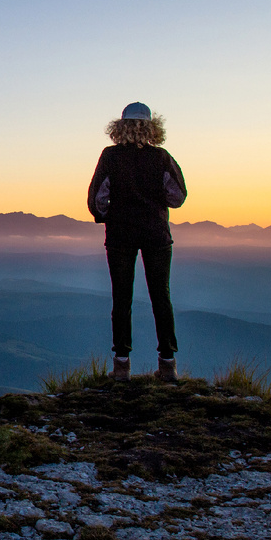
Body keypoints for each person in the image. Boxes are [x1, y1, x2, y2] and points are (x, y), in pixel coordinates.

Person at [87, 102, 187, 382]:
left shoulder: (110, 157)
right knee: (161, 296)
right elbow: (178, 196)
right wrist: (154, 202)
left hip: (120, 235)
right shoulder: (161, 157)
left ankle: (122, 366)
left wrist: (110, 215)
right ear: (152, 127)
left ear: (120, 127)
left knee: (122, 298)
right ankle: (168, 365)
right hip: (156, 234)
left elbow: (97, 199)